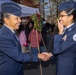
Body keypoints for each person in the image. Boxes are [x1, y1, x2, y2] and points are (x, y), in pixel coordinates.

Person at [0, 2, 51, 75]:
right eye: (16, 18)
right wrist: (38, 55)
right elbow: (18, 56)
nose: (20, 21)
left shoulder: (11, 32)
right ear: (6, 20)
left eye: (19, 18)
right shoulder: (3, 36)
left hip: (17, 70)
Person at [43, 1, 76, 75]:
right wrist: (50, 54)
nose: (60, 19)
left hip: (68, 69)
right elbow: (63, 50)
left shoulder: (74, 33)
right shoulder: (67, 29)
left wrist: (60, 33)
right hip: (61, 67)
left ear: (70, 17)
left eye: (62, 16)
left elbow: (58, 49)